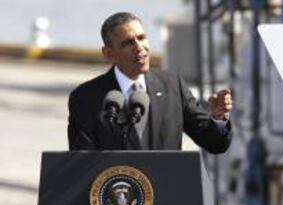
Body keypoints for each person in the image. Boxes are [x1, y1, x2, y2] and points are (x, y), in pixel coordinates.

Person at [68, 12, 232, 153]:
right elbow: (82, 162)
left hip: (167, 188)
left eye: (141, 38)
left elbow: (214, 143)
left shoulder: (172, 86)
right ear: (108, 53)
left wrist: (218, 117)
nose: (139, 47)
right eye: (128, 43)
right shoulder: (85, 98)